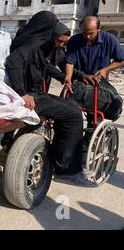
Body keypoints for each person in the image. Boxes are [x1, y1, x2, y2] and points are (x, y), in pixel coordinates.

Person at [6, 11, 96, 187]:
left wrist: (64, 77)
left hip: (35, 94)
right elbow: (13, 62)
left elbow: (45, 65)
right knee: (74, 115)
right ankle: (67, 170)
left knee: (70, 105)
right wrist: (22, 93)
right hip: (31, 96)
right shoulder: (31, 44)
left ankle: (60, 159)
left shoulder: (32, 41)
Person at [62, 16, 124, 95]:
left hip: (100, 84)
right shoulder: (74, 40)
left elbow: (121, 60)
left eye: (91, 33)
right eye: (84, 33)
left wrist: (105, 70)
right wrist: (68, 81)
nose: (88, 36)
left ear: (99, 28)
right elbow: (70, 62)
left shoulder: (110, 40)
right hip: (79, 81)